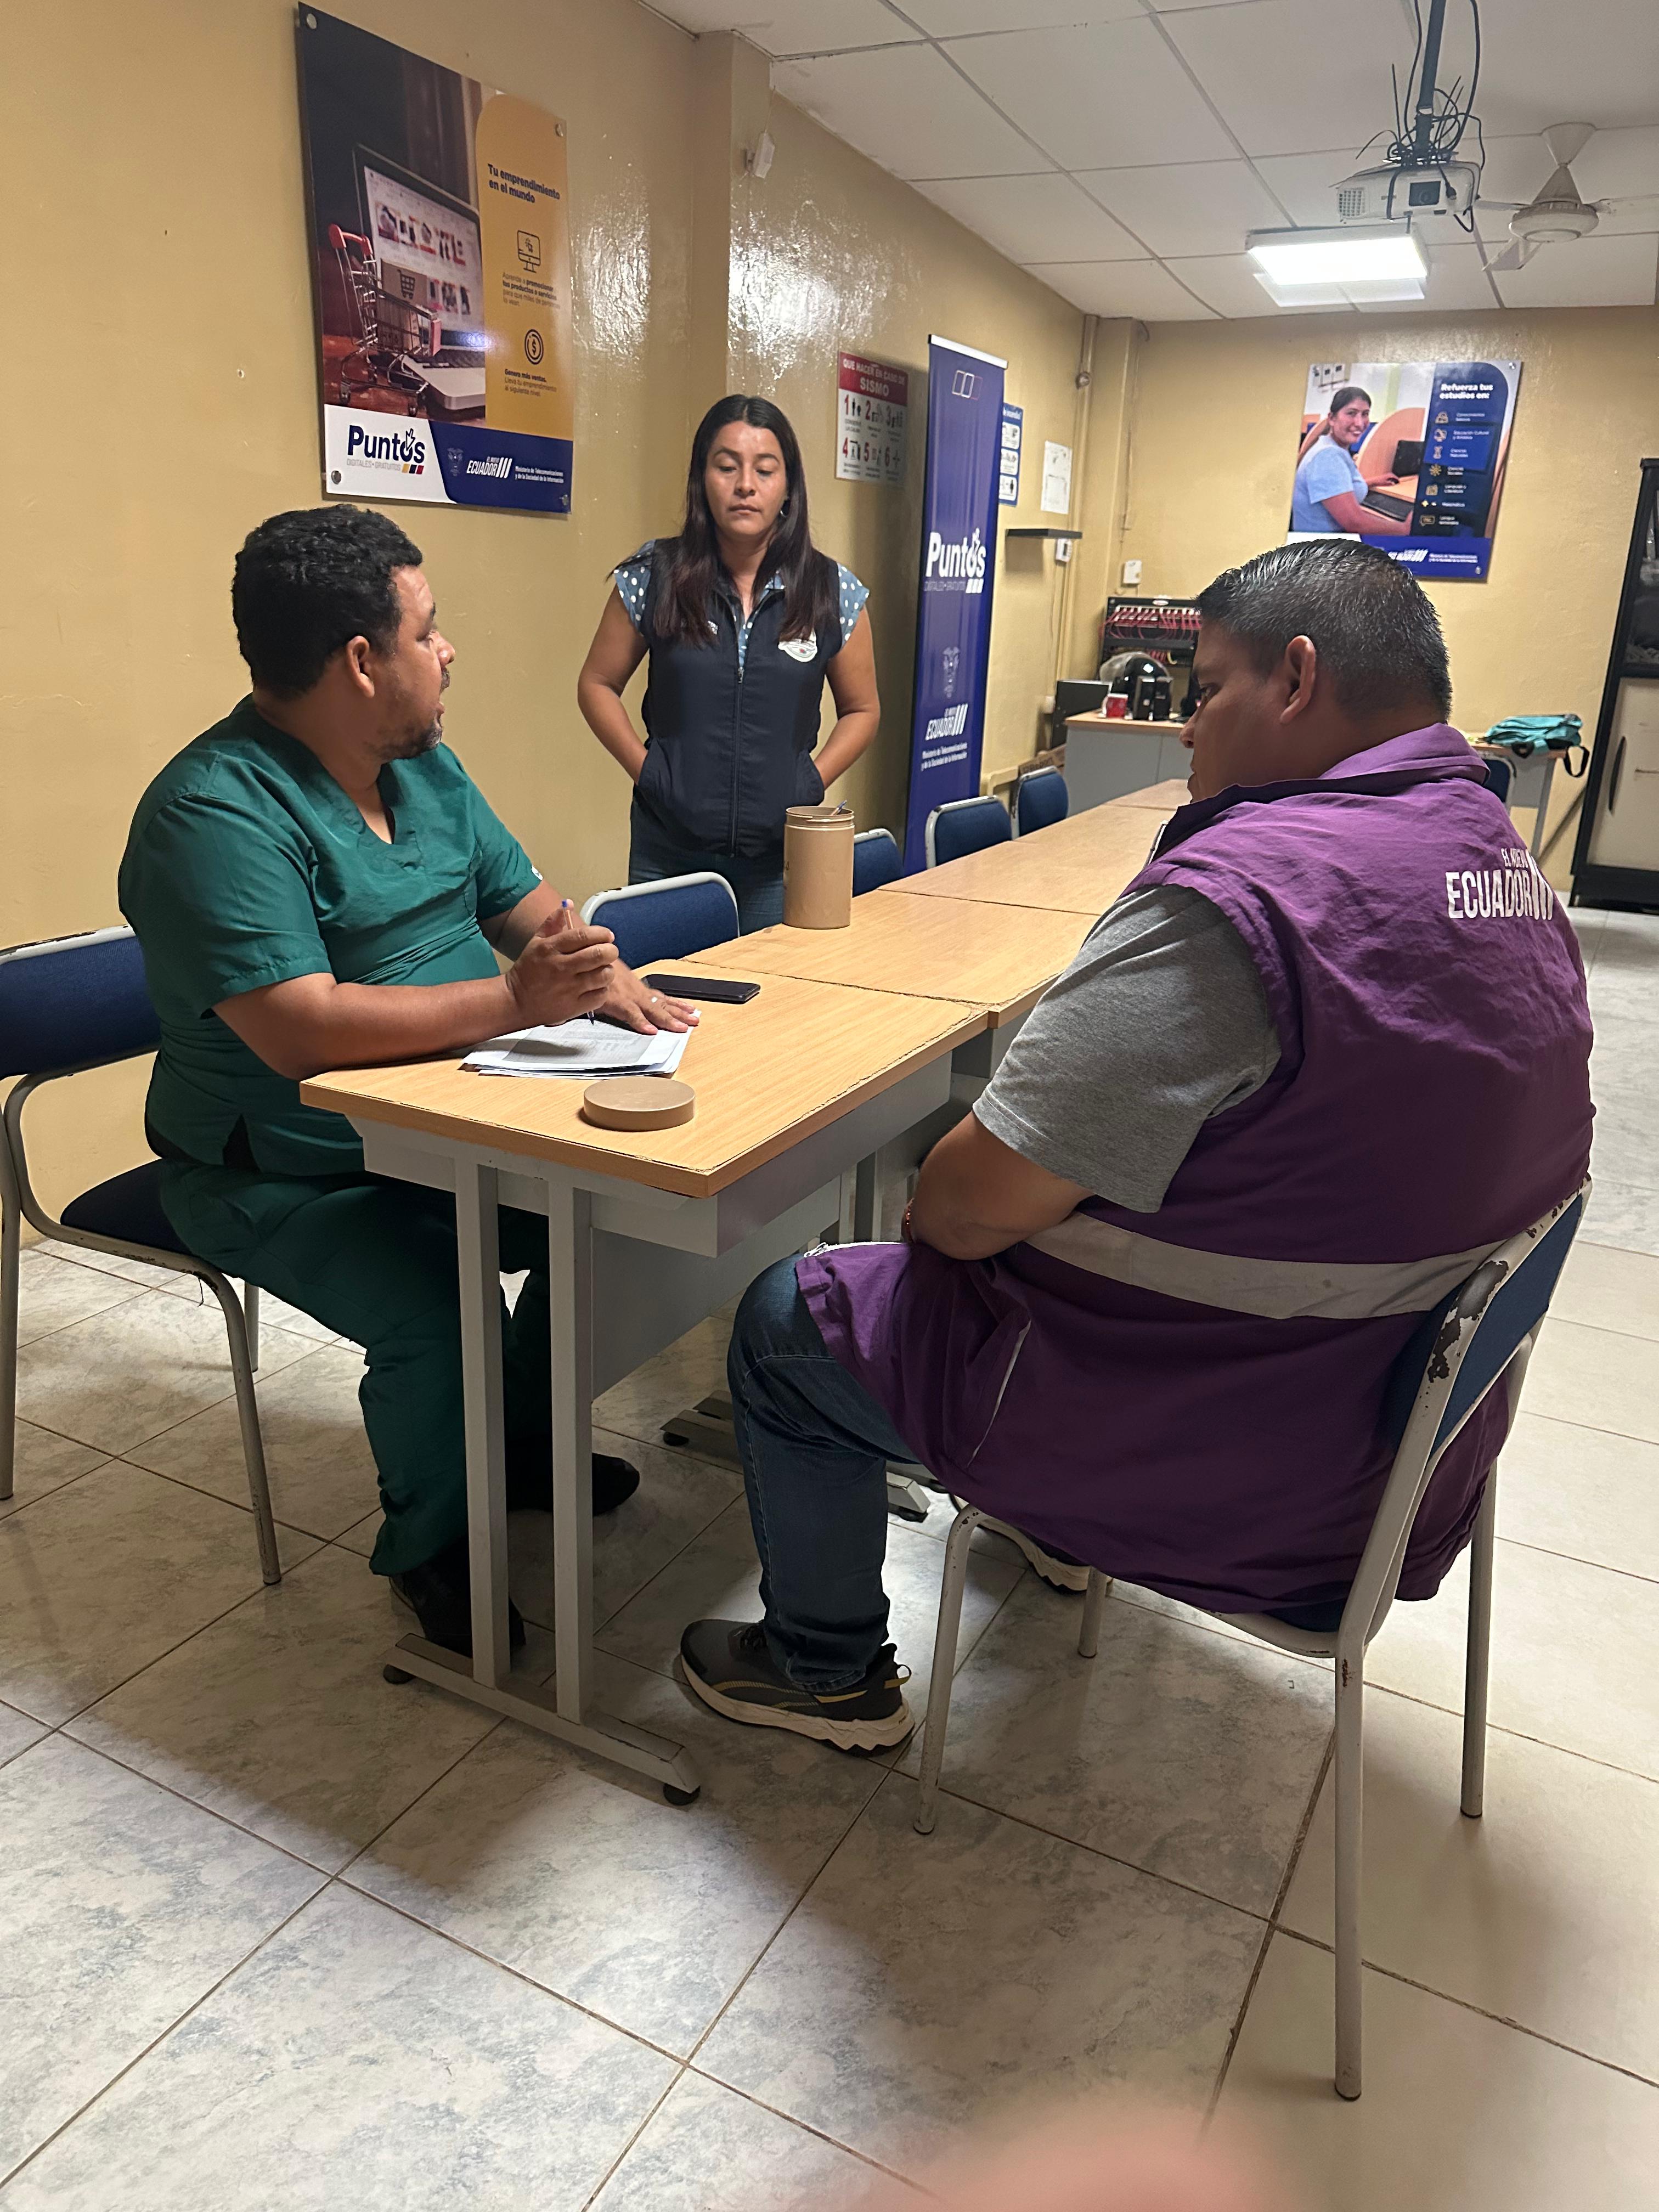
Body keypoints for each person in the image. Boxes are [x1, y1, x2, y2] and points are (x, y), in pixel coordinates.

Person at [676, 540, 1593, 1751]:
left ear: (1296, 679)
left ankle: (825, 1669)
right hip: (1393, 1460)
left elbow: (960, 1209)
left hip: (1241, 1464)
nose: (1186, 728)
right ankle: (1048, 1533)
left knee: (789, 1318)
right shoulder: (1501, 860)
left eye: (1206, 690)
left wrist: (959, 1194)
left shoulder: (1246, 897)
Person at [119, 506, 698, 1658]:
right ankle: (432, 1544)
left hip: (457, 1125)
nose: (448, 651)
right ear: (360, 660)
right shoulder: (212, 812)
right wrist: (519, 1000)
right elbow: (300, 1031)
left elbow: (524, 902)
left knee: (600, 1218)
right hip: (284, 1170)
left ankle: (520, 1450)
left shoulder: (421, 760)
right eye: (428, 630)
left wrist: (600, 974)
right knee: (441, 1309)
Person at [576, 394, 880, 932]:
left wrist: (809, 783)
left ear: (788, 487)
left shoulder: (832, 591)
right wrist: (651, 773)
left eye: (765, 470)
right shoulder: (655, 575)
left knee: (770, 984)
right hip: (668, 851)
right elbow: (597, 684)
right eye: (727, 467)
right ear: (702, 479)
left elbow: (863, 710)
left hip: (777, 861)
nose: (746, 485)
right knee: (666, 985)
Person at [1289, 385, 1409, 538]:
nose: (1360, 423)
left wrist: (1371, 482)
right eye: (1351, 413)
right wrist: (1404, 529)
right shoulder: (1328, 457)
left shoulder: (1327, 446)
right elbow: (1354, 523)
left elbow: (1335, 488)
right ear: (1332, 419)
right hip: (1324, 548)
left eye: (1365, 414)